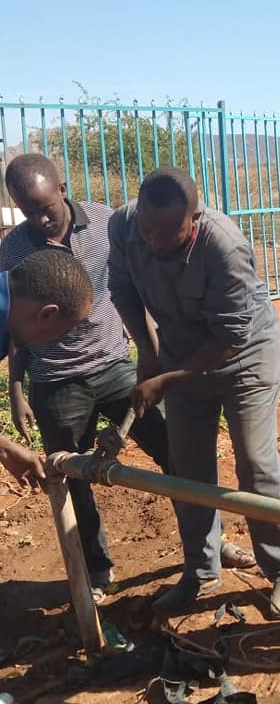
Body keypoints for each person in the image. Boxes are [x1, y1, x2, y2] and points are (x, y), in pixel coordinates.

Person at [107, 167, 280, 617]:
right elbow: (121, 287)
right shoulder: (123, 225)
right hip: (177, 353)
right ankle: (201, 569)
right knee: (188, 468)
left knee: (255, 463)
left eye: (168, 233)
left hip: (244, 357)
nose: (153, 242)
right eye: (148, 230)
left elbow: (232, 334)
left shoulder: (224, 245)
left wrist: (168, 379)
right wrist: (149, 351)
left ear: (193, 219)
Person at [0, 153, 171, 602]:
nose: (38, 219)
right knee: (72, 478)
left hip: (115, 365)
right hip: (56, 381)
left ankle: (204, 546)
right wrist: (18, 389)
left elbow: (135, 287)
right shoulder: (14, 251)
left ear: (61, 189)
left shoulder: (107, 224)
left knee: (176, 449)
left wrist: (149, 355)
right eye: (26, 210)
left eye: (45, 207)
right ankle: (95, 571)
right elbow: (13, 327)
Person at [0, 247, 92, 488]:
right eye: (62, 331)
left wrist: (5, 449)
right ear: (48, 314)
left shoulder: (7, 320)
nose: (55, 340)